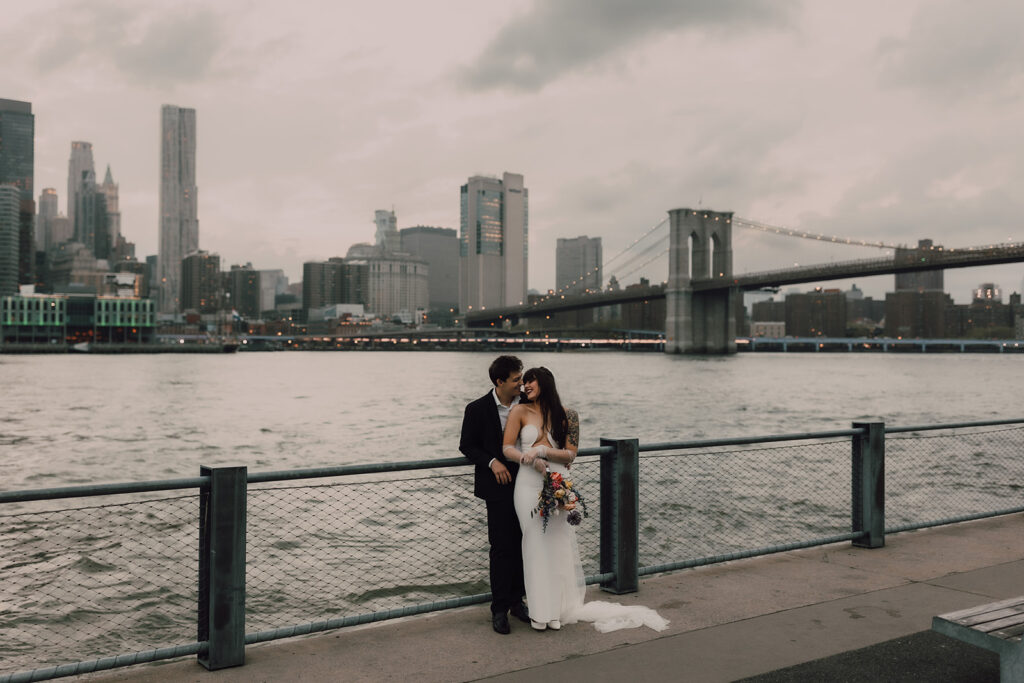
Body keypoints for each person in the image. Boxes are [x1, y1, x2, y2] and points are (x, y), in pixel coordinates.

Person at [502, 366, 670, 634]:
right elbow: (506, 447)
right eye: (524, 382)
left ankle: (555, 610)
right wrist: (524, 456)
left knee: (557, 546)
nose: (526, 386)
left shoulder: (568, 415)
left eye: (531, 380)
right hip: (527, 484)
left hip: (558, 483)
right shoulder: (519, 411)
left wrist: (544, 450)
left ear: (545, 382)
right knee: (533, 545)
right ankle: (539, 612)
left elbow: (571, 454)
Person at [459, 355, 531, 635]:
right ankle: (499, 609)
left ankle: (518, 601)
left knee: (526, 544)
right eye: (516, 379)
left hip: (528, 483)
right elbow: (467, 445)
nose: (521, 384)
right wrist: (492, 462)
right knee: (501, 548)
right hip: (497, 486)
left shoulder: (528, 403)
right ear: (500, 381)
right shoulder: (476, 409)